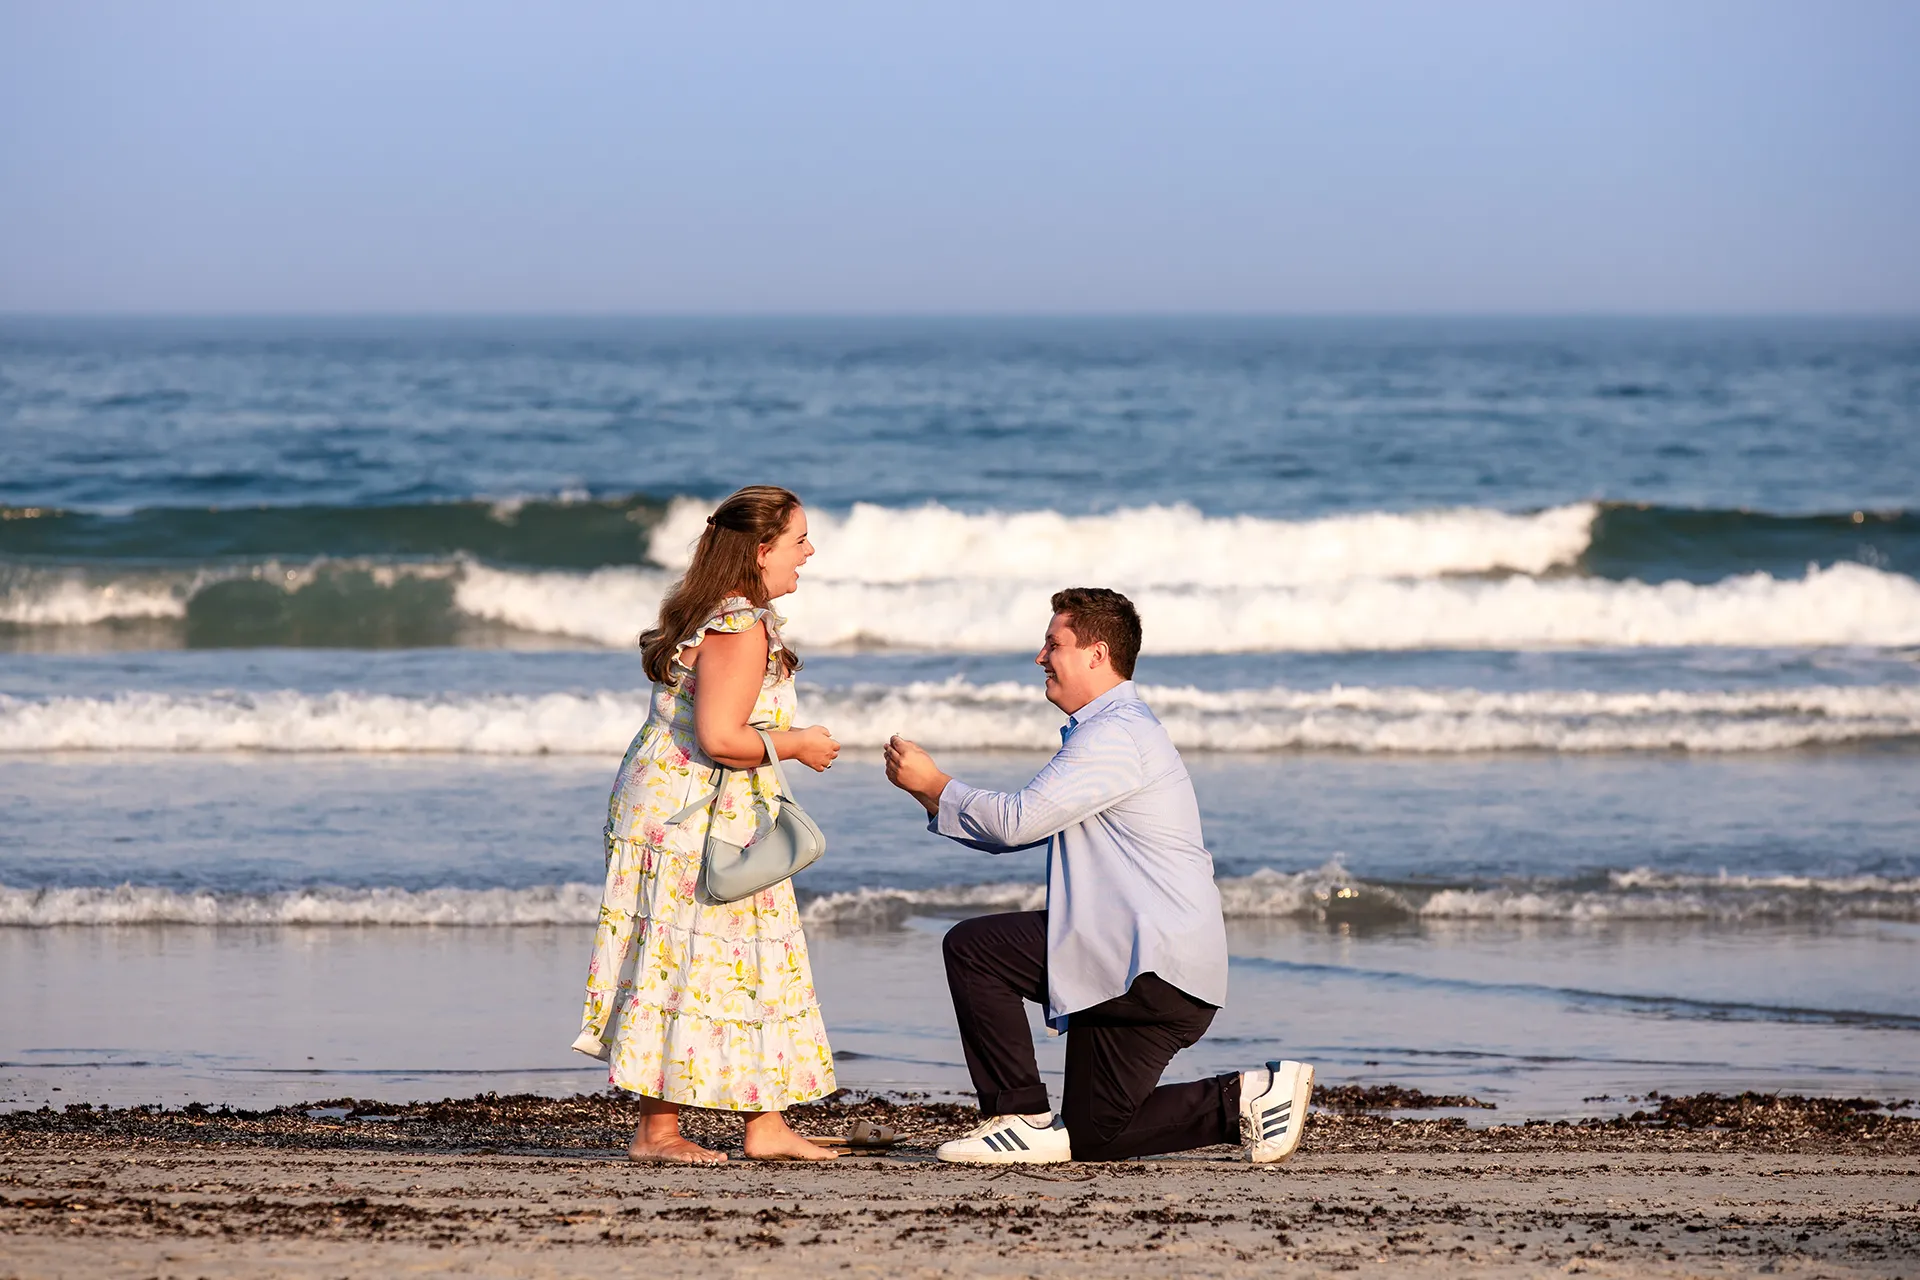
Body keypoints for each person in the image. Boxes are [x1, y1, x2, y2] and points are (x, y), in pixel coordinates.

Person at [884, 587, 1314, 1164]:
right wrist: (933, 798)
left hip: (1147, 961)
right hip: (1149, 970)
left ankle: (1020, 1116)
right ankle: (1250, 1100)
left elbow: (1016, 823)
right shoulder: (1114, 732)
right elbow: (1016, 830)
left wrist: (936, 786)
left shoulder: (1115, 735)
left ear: (1096, 654)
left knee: (975, 949)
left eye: (1053, 643)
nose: (1040, 658)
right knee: (1094, 1135)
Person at [571, 485, 842, 1164]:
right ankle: (658, 1133)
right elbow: (722, 738)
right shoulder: (739, 625)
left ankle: (766, 1123)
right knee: (686, 958)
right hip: (690, 814)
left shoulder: (728, 614)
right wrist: (800, 742)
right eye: (799, 539)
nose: (809, 553)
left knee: (743, 955)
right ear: (759, 550)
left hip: (684, 804)